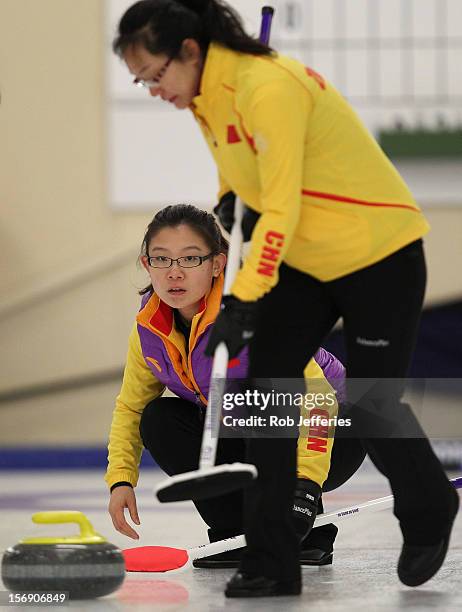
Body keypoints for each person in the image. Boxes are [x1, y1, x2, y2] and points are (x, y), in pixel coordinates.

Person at [112, 0, 459, 598]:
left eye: (154, 74)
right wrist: (227, 203)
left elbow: (282, 207)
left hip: (376, 249)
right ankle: (274, 555)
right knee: (268, 378)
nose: (151, 89)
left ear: (189, 52)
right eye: (139, 80)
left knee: (375, 404)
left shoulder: (267, 87)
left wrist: (243, 298)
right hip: (306, 252)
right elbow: (239, 177)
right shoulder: (206, 100)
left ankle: (428, 505)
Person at [105, 204, 357, 571]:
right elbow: (130, 407)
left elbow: (316, 400)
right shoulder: (150, 328)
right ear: (146, 264)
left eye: (190, 259)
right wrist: (121, 480)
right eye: (161, 259)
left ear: (217, 264)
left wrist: (304, 487)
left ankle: (308, 530)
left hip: (335, 429)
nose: (174, 273)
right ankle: (232, 533)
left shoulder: (254, 313)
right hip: (245, 429)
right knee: (159, 418)